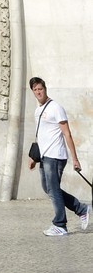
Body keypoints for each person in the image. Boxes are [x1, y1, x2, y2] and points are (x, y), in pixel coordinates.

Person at [28, 76, 90, 236]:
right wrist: (34, 158)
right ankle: (81, 209)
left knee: (53, 189)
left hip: (56, 156)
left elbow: (67, 134)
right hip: (44, 155)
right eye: (35, 90)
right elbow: (40, 135)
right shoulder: (38, 111)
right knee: (48, 189)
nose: (38, 92)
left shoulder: (56, 108)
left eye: (40, 89)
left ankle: (60, 224)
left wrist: (75, 159)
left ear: (45, 89)